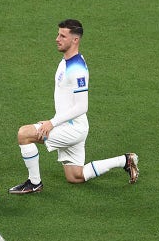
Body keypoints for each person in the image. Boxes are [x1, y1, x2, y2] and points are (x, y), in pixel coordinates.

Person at [9, 19, 139, 194]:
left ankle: (34, 183)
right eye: (58, 34)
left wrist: (52, 123)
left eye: (62, 36)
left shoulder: (77, 70)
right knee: (75, 176)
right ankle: (125, 161)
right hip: (72, 125)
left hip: (73, 129)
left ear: (75, 40)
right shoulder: (66, 61)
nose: (57, 38)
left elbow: (82, 106)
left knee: (24, 134)